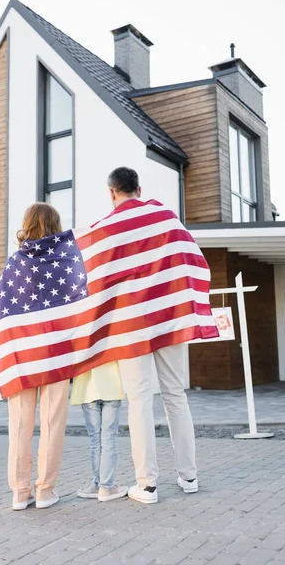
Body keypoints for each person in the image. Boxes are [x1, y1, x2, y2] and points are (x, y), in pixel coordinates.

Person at [107, 167, 198, 505]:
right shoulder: (166, 218)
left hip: (131, 324)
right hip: (170, 319)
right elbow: (191, 259)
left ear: (113, 193)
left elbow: (96, 275)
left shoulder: (108, 228)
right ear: (139, 189)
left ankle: (146, 486)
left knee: (140, 399)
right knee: (176, 394)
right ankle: (189, 476)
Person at [4, 203, 70, 510]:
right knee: (53, 421)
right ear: (56, 224)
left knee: (20, 424)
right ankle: (44, 491)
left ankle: (20, 492)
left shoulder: (15, 262)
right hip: (55, 353)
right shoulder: (66, 261)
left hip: (21, 354)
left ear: (26, 224)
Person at [70, 361, 128, 502]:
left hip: (87, 388)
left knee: (95, 439)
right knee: (109, 438)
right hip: (111, 385)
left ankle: (97, 484)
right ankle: (107, 486)